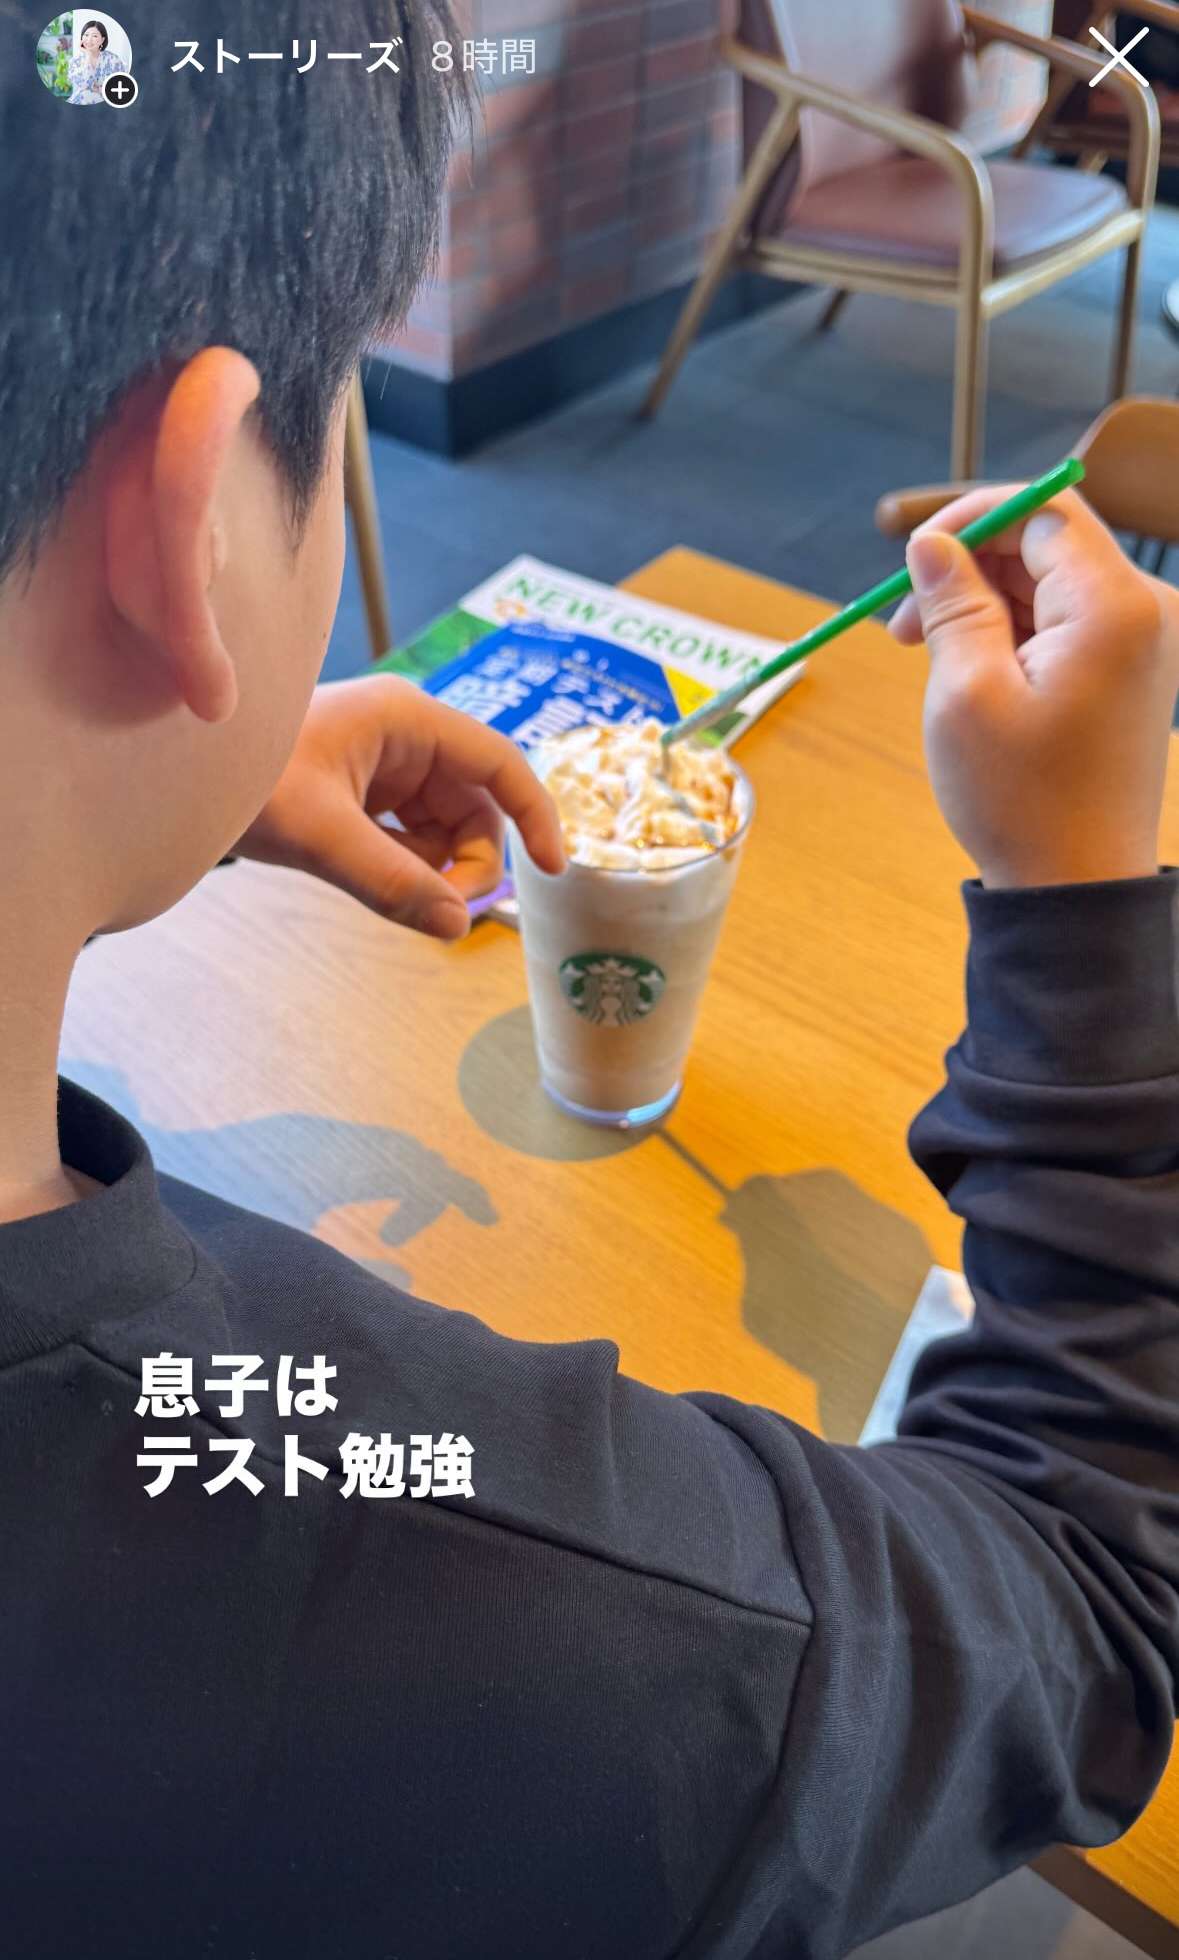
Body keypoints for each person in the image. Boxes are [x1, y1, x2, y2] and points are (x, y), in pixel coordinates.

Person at [1, 4, 1177, 1956]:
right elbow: (1083, 1604)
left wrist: (145, 778)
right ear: (188, 530)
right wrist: (1082, 892)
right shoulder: (495, 1589)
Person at [66, 18, 125, 106]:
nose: (89, 39)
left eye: (94, 36)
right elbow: (84, 85)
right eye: (86, 35)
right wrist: (88, 55)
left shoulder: (114, 60)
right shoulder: (75, 61)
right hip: (82, 101)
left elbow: (121, 87)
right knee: (85, 95)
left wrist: (98, 89)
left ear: (102, 40)